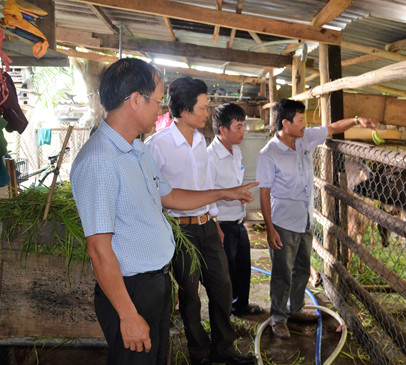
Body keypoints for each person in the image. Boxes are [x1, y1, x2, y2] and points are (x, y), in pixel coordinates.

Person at [70, 58, 257, 365]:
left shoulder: (138, 150)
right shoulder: (99, 160)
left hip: (155, 281)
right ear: (134, 101)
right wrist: (128, 315)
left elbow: (169, 196)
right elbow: (99, 250)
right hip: (130, 290)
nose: (160, 109)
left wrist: (224, 193)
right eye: (156, 100)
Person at [145, 78, 256, 365]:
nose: (207, 113)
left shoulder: (199, 141)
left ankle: (224, 350)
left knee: (222, 289)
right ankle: (199, 353)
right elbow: (153, 195)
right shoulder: (157, 145)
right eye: (203, 108)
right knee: (190, 296)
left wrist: (215, 222)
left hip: (207, 225)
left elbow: (206, 185)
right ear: (183, 109)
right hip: (180, 231)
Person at [257, 98, 379, 339]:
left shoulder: (304, 138)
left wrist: (357, 120)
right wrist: (270, 229)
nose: (305, 124)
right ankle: (277, 318)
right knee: (282, 272)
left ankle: (295, 309)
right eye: (301, 120)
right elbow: (264, 193)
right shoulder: (268, 154)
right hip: (282, 222)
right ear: (285, 123)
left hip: (304, 220)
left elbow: (332, 128)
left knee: (302, 268)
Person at [207, 103, 264, 317]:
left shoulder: (236, 151)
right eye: (238, 126)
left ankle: (241, 306)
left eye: (243, 126)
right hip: (222, 224)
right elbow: (207, 193)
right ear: (223, 130)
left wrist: (241, 197)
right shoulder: (210, 158)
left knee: (243, 268)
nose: (243, 131)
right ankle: (224, 313)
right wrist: (216, 225)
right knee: (225, 273)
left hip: (239, 221)